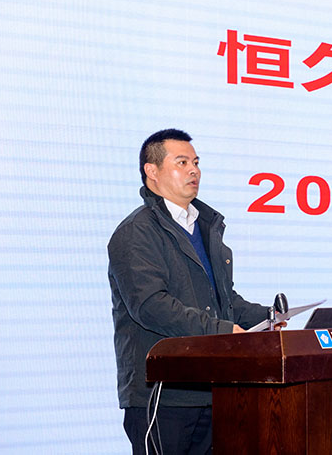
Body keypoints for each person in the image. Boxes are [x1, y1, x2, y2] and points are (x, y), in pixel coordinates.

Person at [108, 129, 270, 454]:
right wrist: (223, 331)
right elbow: (151, 305)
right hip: (162, 394)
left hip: (212, 388)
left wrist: (269, 318)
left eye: (196, 162)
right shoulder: (136, 232)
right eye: (182, 162)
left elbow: (224, 301)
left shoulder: (205, 226)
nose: (193, 170)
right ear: (152, 171)